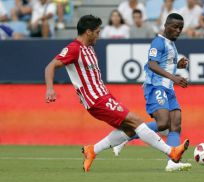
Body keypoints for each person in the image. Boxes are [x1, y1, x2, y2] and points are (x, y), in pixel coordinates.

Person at [44, 14, 189, 172]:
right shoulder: (73, 49)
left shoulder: (89, 48)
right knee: (136, 121)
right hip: (96, 99)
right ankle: (171, 152)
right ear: (88, 32)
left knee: (129, 129)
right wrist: (50, 89)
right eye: (97, 32)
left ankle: (92, 150)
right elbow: (50, 66)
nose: (99, 36)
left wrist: (175, 65)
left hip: (103, 95)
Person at [113, 13, 192, 172]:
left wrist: (178, 65)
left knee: (175, 125)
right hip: (156, 86)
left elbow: (165, 64)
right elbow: (152, 64)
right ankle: (126, 136)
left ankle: (173, 163)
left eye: (180, 28)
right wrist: (174, 77)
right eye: (175, 27)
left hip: (168, 87)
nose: (178, 31)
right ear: (166, 25)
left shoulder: (170, 44)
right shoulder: (158, 42)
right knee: (163, 123)